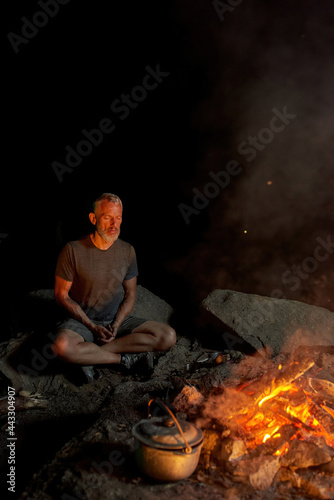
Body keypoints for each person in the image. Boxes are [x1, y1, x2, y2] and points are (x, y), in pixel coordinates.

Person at [52, 193, 176, 379]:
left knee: (168, 336)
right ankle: (122, 360)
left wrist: (117, 324)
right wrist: (91, 326)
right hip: (81, 321)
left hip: (114, 322)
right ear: (93, 218)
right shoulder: (72, 250)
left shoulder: (127, 251)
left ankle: (91, 358)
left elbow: (130, 294)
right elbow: (62, 295)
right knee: (62, 347)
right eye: (108, 217)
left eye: (118, 218)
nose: (114, 224)